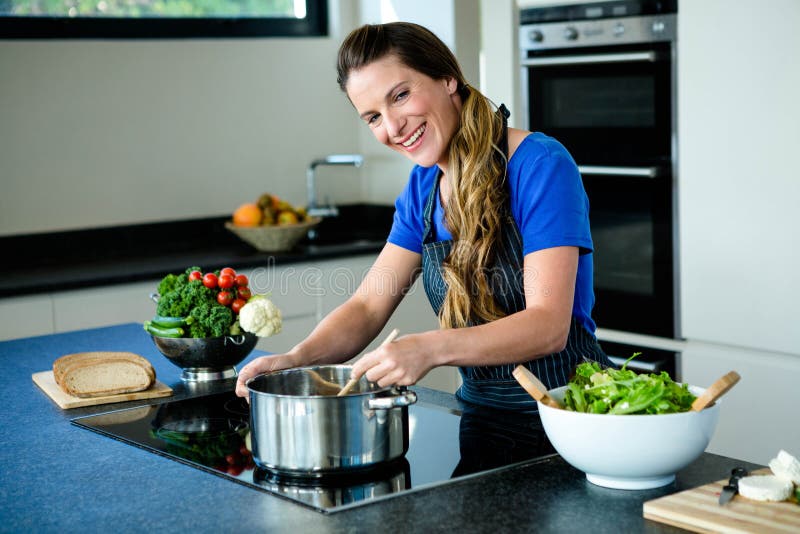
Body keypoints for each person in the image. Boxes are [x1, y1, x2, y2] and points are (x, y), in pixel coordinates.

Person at [236, 22, 612, 410]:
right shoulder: (423, 189)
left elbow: (548, 326)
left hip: (571, 415)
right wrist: (294, 360)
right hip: (481, 417)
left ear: (447, 78)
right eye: (373, 117)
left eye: (399, 96)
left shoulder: (540, 164)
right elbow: (367, 307)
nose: (393, 127)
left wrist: (428, 348)